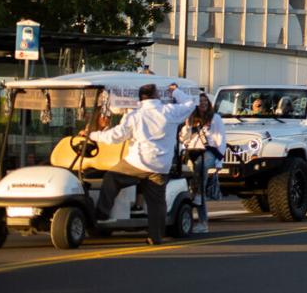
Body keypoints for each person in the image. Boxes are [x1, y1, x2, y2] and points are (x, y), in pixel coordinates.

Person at [87, 83, 196, 245]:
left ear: (141, 98)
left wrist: (92, 135)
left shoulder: (135, 116)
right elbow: (190, 104)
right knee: (157, 203)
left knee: (111, 177)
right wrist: (176, 92)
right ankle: (155, 237)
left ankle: (102, 213)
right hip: (161, 166)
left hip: (137, 163)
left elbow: (115, 137)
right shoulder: (169, 111)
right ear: (156, 95)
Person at [180, 92, 226, 234]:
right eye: (200, 101)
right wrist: (187, 125)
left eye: (205, 101)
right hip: (192, 151)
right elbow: (183, 138)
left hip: (208, 151)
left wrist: (219, 162)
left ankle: (202, 221)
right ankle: (196, 202)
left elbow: (221, 139)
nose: (203, 103)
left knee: (199, 179)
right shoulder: (191, 118)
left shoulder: (215, 118)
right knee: (193, 186)